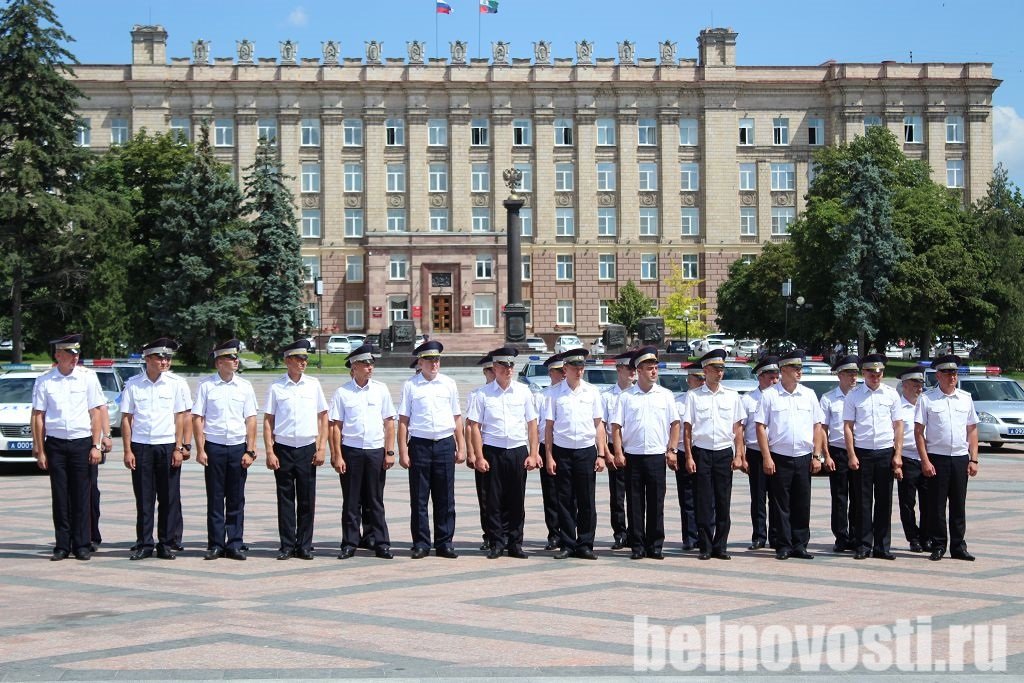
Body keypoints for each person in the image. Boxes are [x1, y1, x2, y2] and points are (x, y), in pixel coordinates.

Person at [31, 334, 106, 561]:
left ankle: (82, 544)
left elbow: (96, 413)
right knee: (60, 496)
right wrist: (39, 449)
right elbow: (38, 416)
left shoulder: (87, 378)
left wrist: (96, 444)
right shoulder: (45, 381)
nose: (75, 358)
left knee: (82, 495)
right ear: (58, 355)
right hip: (56, 444)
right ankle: (62, 545)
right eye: (70, 354)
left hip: (82, 442)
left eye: (77, 354)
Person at [120, 338, 193, 560]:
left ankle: (165, 543)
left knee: (168, 497)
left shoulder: (176, 383)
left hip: (167, 445)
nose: (165, 361)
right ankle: (144, 543)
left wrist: (179, 447)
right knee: (144, 498)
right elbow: (126, 418)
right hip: (141, 446)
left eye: (168, 358)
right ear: (148, 359)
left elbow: (181, 416)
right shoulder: (133, 384)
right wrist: (127, 450)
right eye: (160, 357)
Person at [468, 346, 541, 559]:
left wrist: (533, 453)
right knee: (493, 500)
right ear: (495, 367)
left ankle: (515, 543)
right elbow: (474, 426)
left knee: (516, 499)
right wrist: (479, 456)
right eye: (503, 366)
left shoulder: (523, 391)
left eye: (511, 366)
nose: (508, 370)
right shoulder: (483, 394)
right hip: (493, 450)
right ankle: (496, 542)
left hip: (517, 450)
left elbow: (532, 424)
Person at [754, 349, 825, 560]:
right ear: (783, 370)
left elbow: (817, 426)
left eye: (800, 368)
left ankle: (800, 544)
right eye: (795, 368)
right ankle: (783, 545)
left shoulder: (809, 394)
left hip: (804, 455)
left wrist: (817, 455)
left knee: (802, 503)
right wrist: (766, 457)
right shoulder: (769, 395)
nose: (799, 372)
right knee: (780, 504)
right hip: (780, 456)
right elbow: (760, 427)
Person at [398, 340, 466, 559]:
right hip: (419, 444)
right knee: (419, 498)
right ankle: (421, 543)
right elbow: (403, 420)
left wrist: (461, 445)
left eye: (436, 359)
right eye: (429, 360)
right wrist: (403, 450)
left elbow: (457, 417)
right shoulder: (411, 385)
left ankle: (445, 542)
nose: (434, 363)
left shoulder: (449, 384)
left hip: (445, 444)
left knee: (445, 497)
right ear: (420, 361)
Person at [192, 339, 259, 560]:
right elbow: (198, 418)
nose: (235, 361)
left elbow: (250, 419)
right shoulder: (206, 386)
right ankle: (216, 544)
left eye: (236, 357)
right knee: (215, 497)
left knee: (236, 498)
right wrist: (200, 449)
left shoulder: (244, 386)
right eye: (231, 358)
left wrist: (250, 450)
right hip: (215, 447)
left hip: (237, 447)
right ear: (219, 362)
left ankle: (235, 543)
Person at [330, 343, 397, 560]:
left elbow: (389, 422)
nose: (370, 367)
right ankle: (349, 542)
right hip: (351, 451)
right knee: (351, 500)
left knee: (375, 499)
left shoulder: (381, 389)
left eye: (371, 364)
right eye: (365, 364)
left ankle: (380, 542)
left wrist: (389, 451)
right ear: (354, 366)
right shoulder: (342, 393)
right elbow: (336, 427)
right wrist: (337, 455)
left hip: (375, 450)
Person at [611, 346, 679, 560]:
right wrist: (619, 452)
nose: (654, 372)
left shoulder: (665, 396)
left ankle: (655, 545)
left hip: (657, 455)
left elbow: (675, 424)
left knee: (656, 502)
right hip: (633, 456)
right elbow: (616, 427)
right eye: (649, 368)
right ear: (638, 370)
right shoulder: (626, 397)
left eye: (656, 368)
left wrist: (672, 449)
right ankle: (638, 545)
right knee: (635, 502)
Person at [264, 339, 328, 560]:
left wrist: (321, 448)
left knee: (307, 499)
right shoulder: (276, 386)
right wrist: (270, 451)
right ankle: (287, 545)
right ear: (288, 361)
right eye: (299, 358)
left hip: (306, 447)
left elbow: (323, 416)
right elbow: (268, 420)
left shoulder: (313, 384)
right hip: (283, 447)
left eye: (305, 358)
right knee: (285, 498)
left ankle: (305, 545)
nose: (304, 362)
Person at [681, 348, 745, 560]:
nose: (720, 373)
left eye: (722, 369)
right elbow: (688, 430)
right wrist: (689, 456)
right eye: (716, 369)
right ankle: (706, 546)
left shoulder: (732, 396)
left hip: (724, 452)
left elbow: (737, 429)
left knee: (723, 500)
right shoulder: (693, 397)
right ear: (705, 370)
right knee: (703, 501)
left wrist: (738, 455)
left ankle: (721, 545)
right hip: (702, 452)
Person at [914, 355, 979, 562]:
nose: (952, 377)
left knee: (959, 505)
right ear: (938, 375)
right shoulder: (927, 399)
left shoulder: (965, 398)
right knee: (937, 505)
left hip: (960, 458)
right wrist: (925, 461)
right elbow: (918, 432)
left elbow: (972, 430)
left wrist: (973, 459)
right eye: (948, 373)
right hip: (937, 458)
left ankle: (958, 546)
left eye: (955, 373)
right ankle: (939, 544)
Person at [544, 348, 607, 559]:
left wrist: (601, 454)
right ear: (565, 369)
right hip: (562, 451)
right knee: (565, 500)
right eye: (575, 368)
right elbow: (549, 428)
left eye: (582, 367)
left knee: (586, 499)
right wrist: (550, 456)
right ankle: (568, 543)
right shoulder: (554, 393)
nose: (579, 371)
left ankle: (585, 544)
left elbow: (599, 424)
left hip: (586, 451)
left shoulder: (592, 392)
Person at [843, 353, 902, 560]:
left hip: (885, 452)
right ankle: (863, 545)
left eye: (879, 373)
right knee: (862, 501)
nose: (875, 376)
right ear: (864, 373)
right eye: (871, 372)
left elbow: (898, 425)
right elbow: (848, 427)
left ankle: (882, 547)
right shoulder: (854, 395)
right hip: (863, 452)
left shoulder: (891, 394)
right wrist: (851, 454)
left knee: (884, 502)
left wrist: (898, 454)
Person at [819, 354, 859, 553]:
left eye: (855, 373)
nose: (853, 378)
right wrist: (826, 455)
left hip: (859, 451)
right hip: (837, 451)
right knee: (840, 497)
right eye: (849, 374)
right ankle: (841, 536)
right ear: (839, 376)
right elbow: (823, 429)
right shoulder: (829, 398)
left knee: (860, 497)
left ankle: (857, 535)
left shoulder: (861, 395)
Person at [741, 356, 779, 550]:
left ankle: (775, 535)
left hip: (778, 453)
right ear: (760, 377)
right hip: (756, 453)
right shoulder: (748, 399)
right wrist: (741, 455)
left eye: (776, 377)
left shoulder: (781, 396)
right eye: (770, 377)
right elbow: (740, 430)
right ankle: (759, 536)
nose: (774, 381)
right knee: (758, 497)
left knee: (777, 497)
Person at [602, 350, 635, 550]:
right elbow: (601, 427)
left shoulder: (638, 394)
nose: (633, 372)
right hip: (615, 447)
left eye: (634, 368)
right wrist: (606, 452)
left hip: (635, 447)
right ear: (619, 369)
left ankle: (635, 532)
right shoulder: (607, 397)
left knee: (636, 494)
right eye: (629, 368)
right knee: (617, 495)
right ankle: (620, 533)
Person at [672, 362, 705, 551]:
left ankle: (706, 535)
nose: (701, 382)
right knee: (687, 497)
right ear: (688, 380)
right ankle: (690, 537)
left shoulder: (710, 399)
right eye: (697, 378)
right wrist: (673, 452)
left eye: (703, 378)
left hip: (705, 452)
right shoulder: (678, 402)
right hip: (685, 453)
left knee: (707, 497)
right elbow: (673, 430)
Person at [465, 352, 496, 551]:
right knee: (486, 496)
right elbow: (470, 426)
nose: (497, 373)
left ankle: (506, 533)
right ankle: (489, 535)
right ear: (485, 372)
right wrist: (471, 453)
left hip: (502, 447)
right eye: (492, 370)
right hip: (482, 448)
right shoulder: (477, 394)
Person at [896, 365, 929, 553]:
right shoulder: (897, 407)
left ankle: (926, 537)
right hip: (907, 458)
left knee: (928, 502)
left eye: (921, 384)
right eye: (915, 384)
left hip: (926, 458)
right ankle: (913, 538)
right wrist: (897, 459)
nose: (919, 388)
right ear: (905, 385)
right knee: (907, 503)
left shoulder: (926, 404)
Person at [537, 353, 567, 550]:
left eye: (565, 371)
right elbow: (538, 426)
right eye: (559, 371)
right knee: (551, 493)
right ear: (550, 373)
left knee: (569, 493)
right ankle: (554, 533)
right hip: (547, 446)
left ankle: (568, 531)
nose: (564, 375)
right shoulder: (543, 395)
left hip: (567, 446)